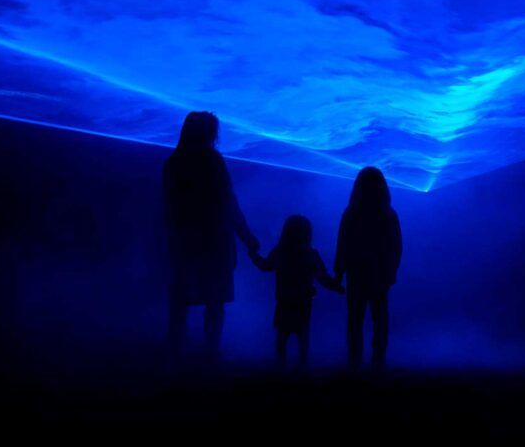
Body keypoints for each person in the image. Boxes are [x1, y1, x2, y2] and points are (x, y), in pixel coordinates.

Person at [163, 111, 259, 362]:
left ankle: (175, 351)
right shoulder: (211, 160)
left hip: (184, 240)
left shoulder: (174, 161)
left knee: (181, 298)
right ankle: (210, 352)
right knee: (214, 300)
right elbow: (228, 201)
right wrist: (246, 236)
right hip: (214, 240)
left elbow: (169, 207)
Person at [249, 214, 344, 369]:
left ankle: (281, 369)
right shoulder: (310, 254)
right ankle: (302, 368)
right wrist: (337, 286)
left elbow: (265, 266)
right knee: (302, 336)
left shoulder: (280, 252)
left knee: (282, 336)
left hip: (284, 300)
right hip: (303, 302)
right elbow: (322, 276)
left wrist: (253, 254)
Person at [334, 167, 402, 370]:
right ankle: (378, 359)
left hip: (357, 272)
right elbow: (396, 245)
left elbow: (342, 243)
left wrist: (339, 271)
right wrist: (392, 271)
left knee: (355, 317)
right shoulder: (388, 214)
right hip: (380, 272)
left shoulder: (351, 212)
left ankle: (354, 359)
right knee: (379, 316)